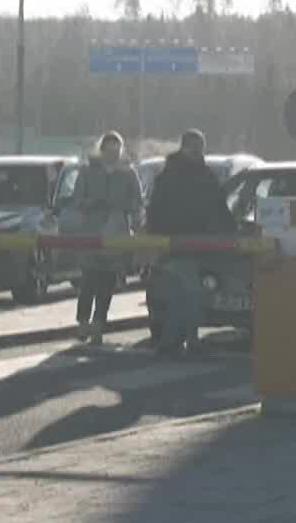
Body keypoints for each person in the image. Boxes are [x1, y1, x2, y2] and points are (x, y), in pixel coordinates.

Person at [144, 130, 230, 356]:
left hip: (196, 243)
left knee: (182, 294)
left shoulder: (198, 175)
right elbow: (157, 209)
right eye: (194, 147)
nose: (197, 151)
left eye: (200, 147)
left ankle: (178, 340)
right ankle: (181, 341)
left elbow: (219, 207)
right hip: (177, 242)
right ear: (183, 148)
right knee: (191, 292)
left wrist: (229, 229)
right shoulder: (176, 176)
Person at [64, 131, 143, 345]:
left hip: (116, 232)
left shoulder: (128, 174)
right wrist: (89, 203)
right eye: (108, 150)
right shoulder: (88, 173)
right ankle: (83, 322)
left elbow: (138, 201)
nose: (112, 155)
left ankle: (99, 324)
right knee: (88, 280)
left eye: (116, 151)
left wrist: (131, 212)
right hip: (91, 231)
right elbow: (76, 200)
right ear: (101, 150)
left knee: (106, 283)